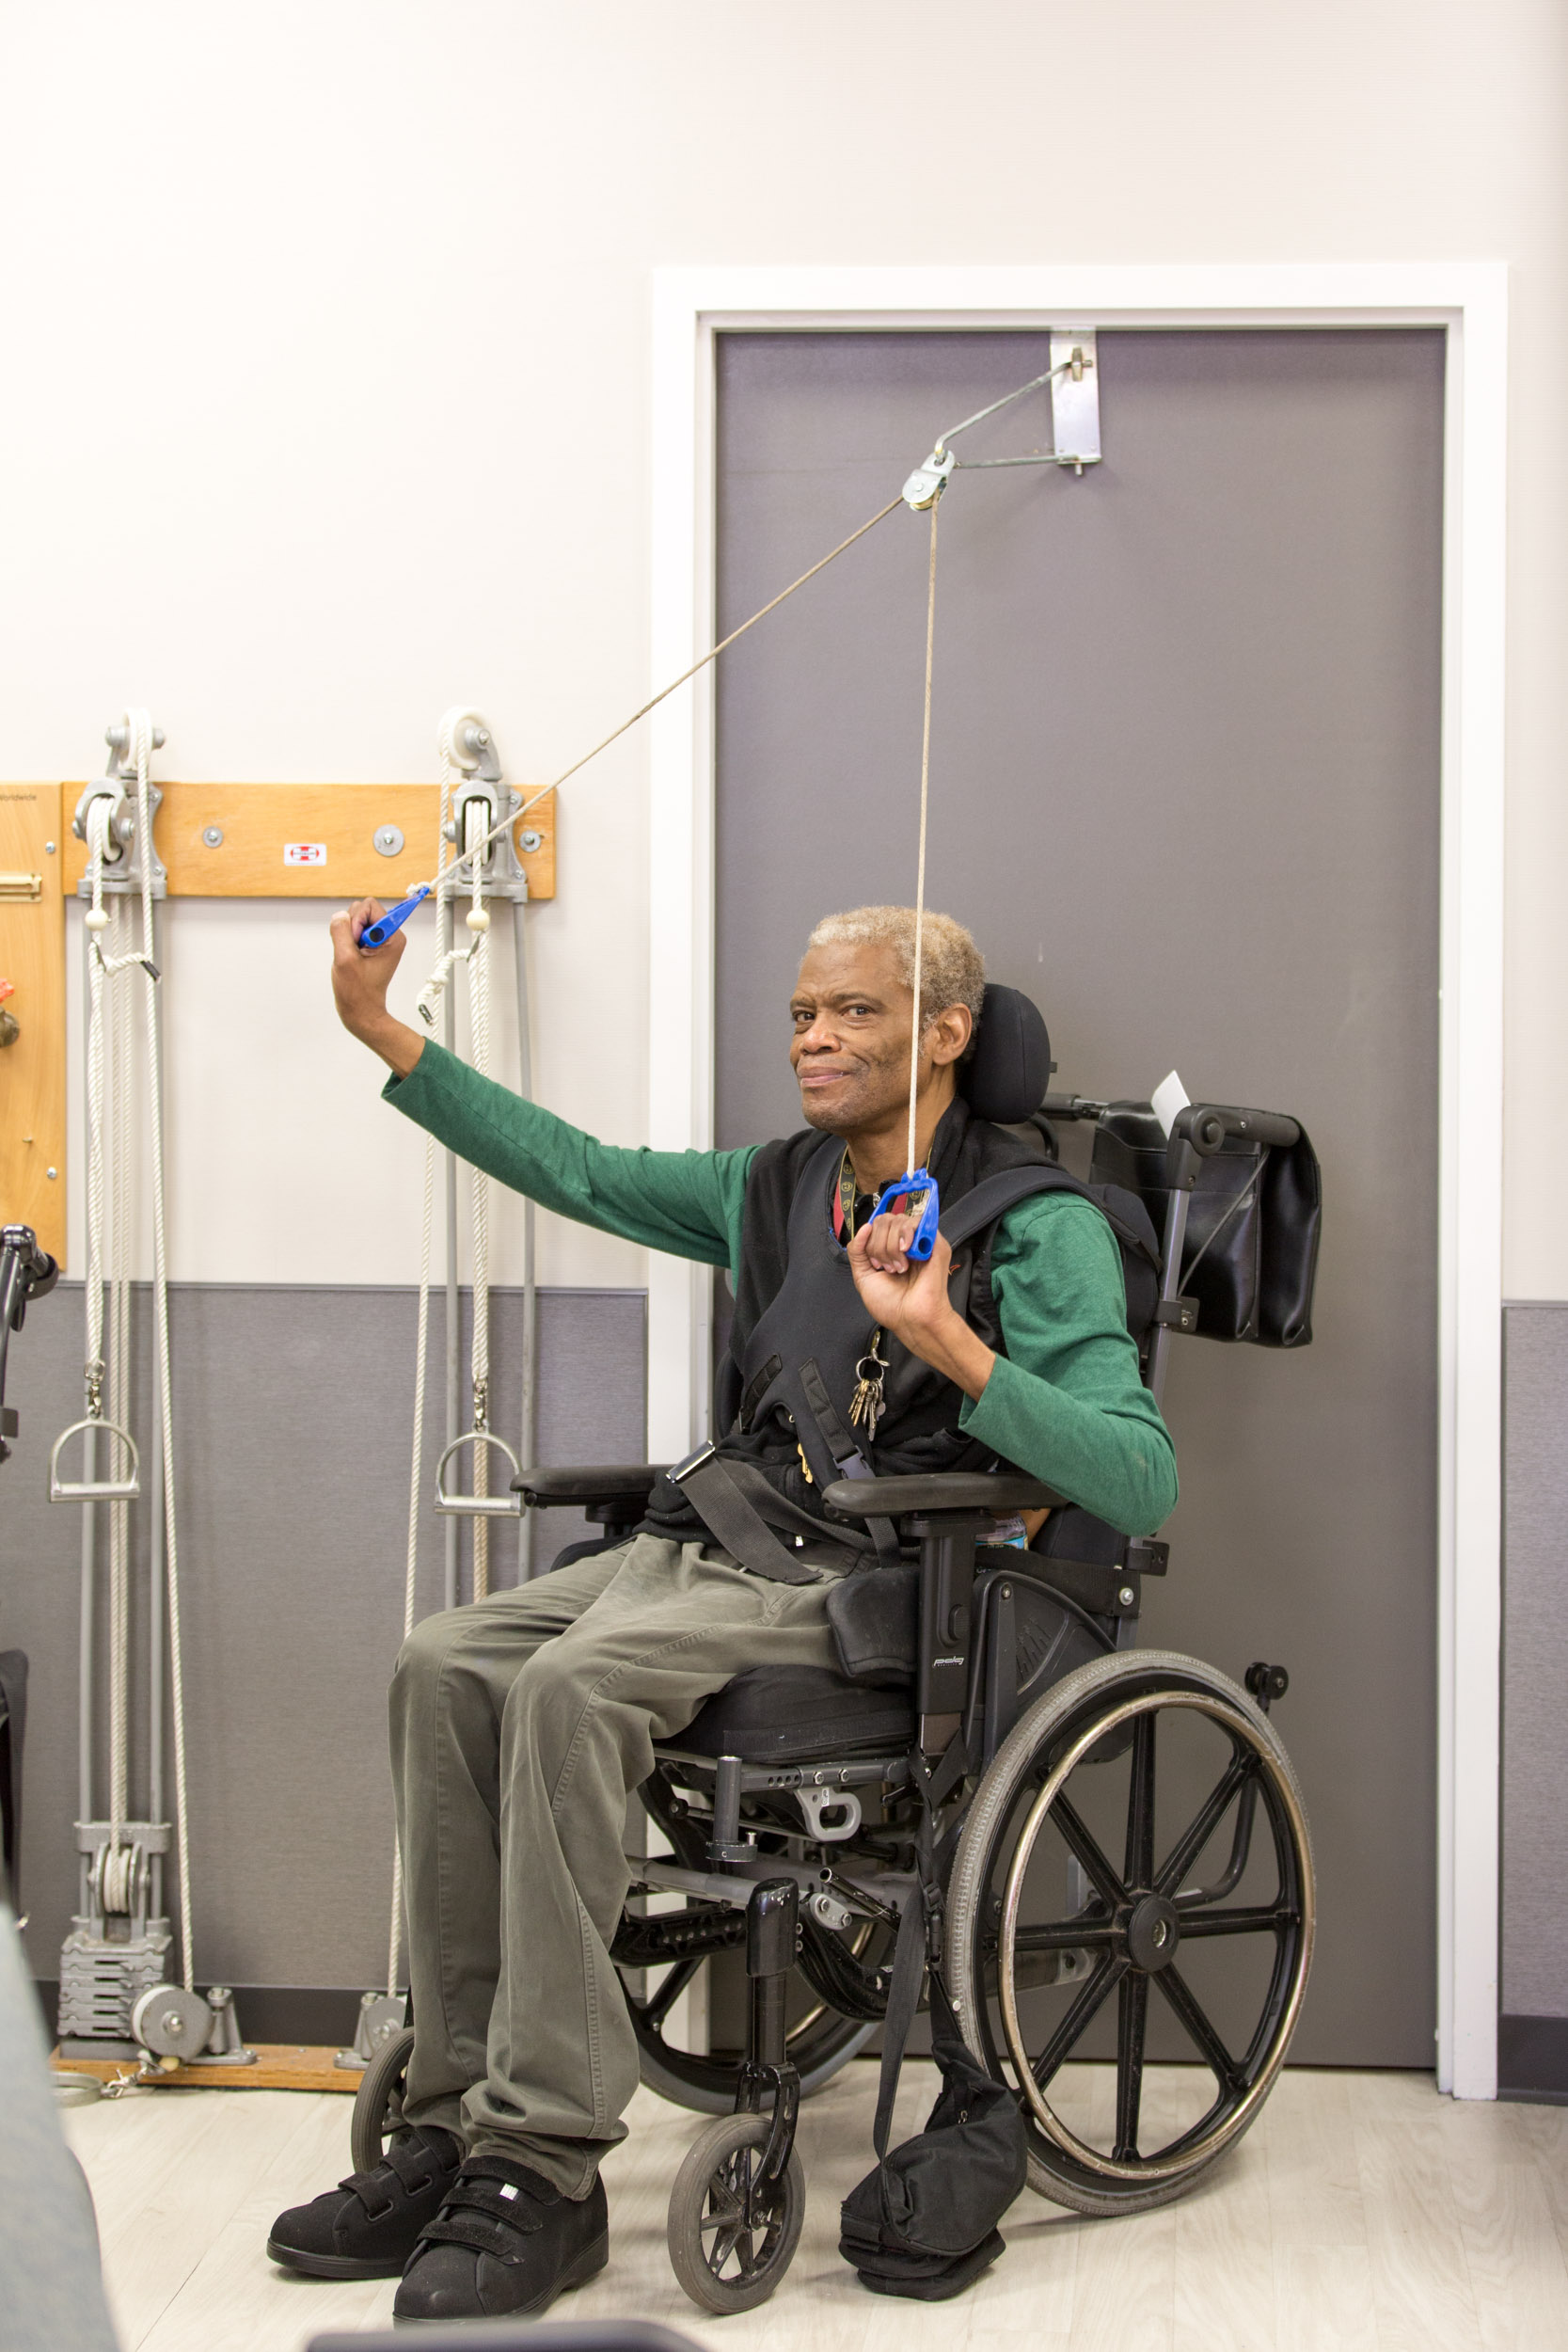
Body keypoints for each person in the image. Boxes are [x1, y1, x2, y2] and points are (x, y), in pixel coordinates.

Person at [267, 900, 1177, 2321]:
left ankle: (548, 2165)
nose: (815, 1036)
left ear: (947, 1033)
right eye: (805, 1011)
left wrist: (943, 1333)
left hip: (882, 1585)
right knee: (445, 1662)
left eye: (856, 1013)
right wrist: (386, 1031)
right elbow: (582, 1172)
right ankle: (451, 2121)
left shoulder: (1037, 1222)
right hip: (726, 1539)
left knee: (575, 1689)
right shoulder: (780, 1185)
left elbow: (1139, 1471)